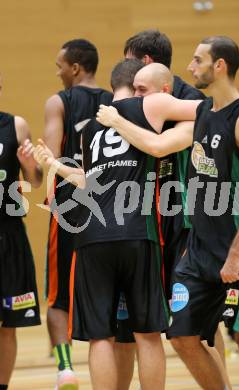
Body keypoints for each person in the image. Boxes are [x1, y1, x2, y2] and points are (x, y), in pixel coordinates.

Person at [34, 58, 200, 390]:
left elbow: (88, 181)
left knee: (100, 337)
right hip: (138, 232)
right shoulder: (148, 106)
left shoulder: (90, 127)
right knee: (148, 334)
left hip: (92, 237)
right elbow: (205, 110)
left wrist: (54, 164)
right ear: (137, 85)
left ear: (111, 87)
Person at [96, 62, 231, 390]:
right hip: (142, 228)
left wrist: (115, 119)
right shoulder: (144, 114)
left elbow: (157, 147)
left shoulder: (188, 115)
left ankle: (222, 384)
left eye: (140, 89)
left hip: (182, 227)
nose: (135, 96)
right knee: (129, 329)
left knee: (195, 323)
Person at [168, 36, 239, 390]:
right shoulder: (201, 112)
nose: (190, 67)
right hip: (198, 251)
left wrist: (235, 253)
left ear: (220, 66)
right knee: (181, 336)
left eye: (197, 60)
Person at [43, 38, 113, 389]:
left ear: (75, 67)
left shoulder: (59, 102)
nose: (57, 72)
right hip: (113, 206)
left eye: (60, 66)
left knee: (58, 295)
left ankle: (66, 368)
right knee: (111, 288)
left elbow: (53, 160)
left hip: (70, 205)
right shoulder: (116, 101)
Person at [0, 74, 42, 389]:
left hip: (8, 234)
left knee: (8, 324)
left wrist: (28, 165)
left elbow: (36, 180)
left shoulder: (15, 125)